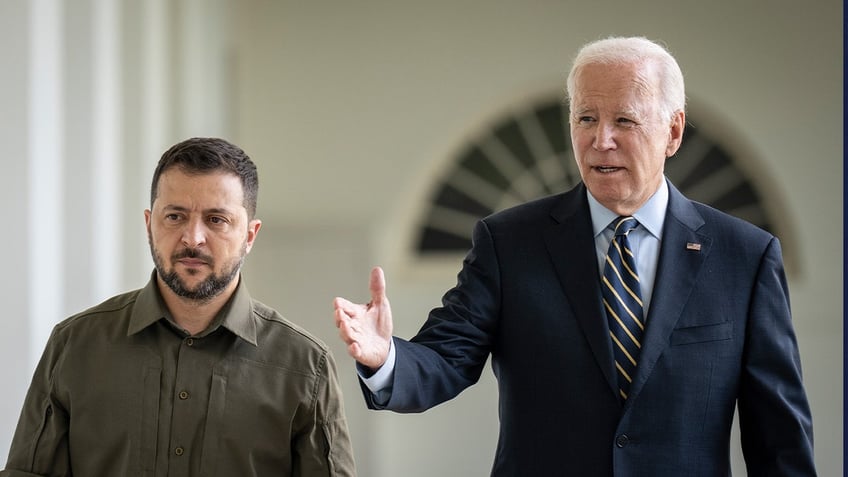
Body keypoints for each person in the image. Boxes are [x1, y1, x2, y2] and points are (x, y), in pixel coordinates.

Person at [333, 37, 816, 475]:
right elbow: (446, 358)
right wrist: (387, 358)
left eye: (624, 120)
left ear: (673, 132)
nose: (600, 139)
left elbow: (779, 437)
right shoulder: (509, 242)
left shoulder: (744, 257)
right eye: (586, 118)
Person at [3, 137, 356, 476]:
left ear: (250, 235)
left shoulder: (307, 367)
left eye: (217, 219)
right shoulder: (74, 345)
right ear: (149, 225)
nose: (193, 238)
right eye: (175, 216)